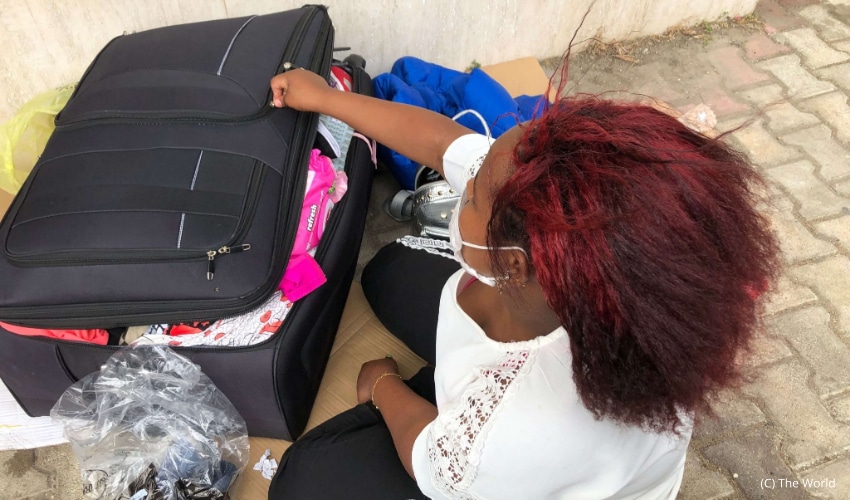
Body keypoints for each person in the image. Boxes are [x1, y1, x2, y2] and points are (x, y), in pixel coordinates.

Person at [266, 61, 779, 499]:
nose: (464, 181)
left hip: (520, 471)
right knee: (391, 269)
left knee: (305, 477)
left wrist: (381, 385)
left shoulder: (518, 427)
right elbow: (443, 141)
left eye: (469, 196)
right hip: (519, 349)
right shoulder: (580, 262)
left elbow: (431, 461)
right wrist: (324, 97)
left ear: (514, 264)